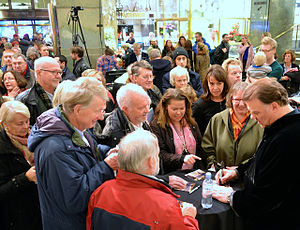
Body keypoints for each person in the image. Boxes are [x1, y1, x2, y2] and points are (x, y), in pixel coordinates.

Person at [27, 77, 118, 230]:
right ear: (77, 109)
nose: (101, 117)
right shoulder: (54, 149)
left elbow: (88, 150)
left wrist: (107, 152)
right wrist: (107, 166)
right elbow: (74, 198)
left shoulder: (75, 126)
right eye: (98, 111)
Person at [213, 78, 300, 230]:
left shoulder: (289, 138)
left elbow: (267, 198)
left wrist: (231, 196)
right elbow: (261, 159)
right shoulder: (275, 124)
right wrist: (238, 171)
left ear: (274, 106)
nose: (252, 117)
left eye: (256, 112)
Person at [87, 130, 199, 230]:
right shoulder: (165, 205)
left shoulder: (101, 191)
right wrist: (188, 218)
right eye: (157, 154)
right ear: (151, 161)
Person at [0, 101, 42, 230]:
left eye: (27, 121)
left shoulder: (36, 137)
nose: (25, 127)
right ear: (5, 124)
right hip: (17, 216)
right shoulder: (2, 149)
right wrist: (25, 178)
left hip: (39, 210)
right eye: (19, 123)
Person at [201, 81, 263, 168]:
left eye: (245, 99)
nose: (241, 104)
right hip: (220, 175)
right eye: (237, 99)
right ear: (231, 99)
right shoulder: (217, 119)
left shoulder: (260, 122)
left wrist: (240, 169)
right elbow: (207, 147)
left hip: (248, 177)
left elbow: (262, 153)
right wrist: (212, 164)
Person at [150, 88, 205, 174]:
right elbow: (161, 154)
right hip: (172, 174)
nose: (178, 113)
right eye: (174, 109)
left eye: (182, 108)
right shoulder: (157, 126)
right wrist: (181, 158)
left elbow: (200, 148)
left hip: (194, 172)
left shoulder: (191, 123)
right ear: (165, 107)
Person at [100, 83, 151, 148]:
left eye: (148, 105)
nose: (147, 110)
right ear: (125, 109)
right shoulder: (116, 133)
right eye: (141, 108)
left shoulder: (138, 118)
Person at [16, 56, 61, 125]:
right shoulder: (25, 99)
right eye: (54, 72)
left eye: (59, 72)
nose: (59, 76)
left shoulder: (65, 95)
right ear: (39, 73)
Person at [192, 65, 229, 135]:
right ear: (207, 83)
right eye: (212, 84)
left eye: (219, 84)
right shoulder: (199, 105)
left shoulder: (230, 101)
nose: (215, 88)